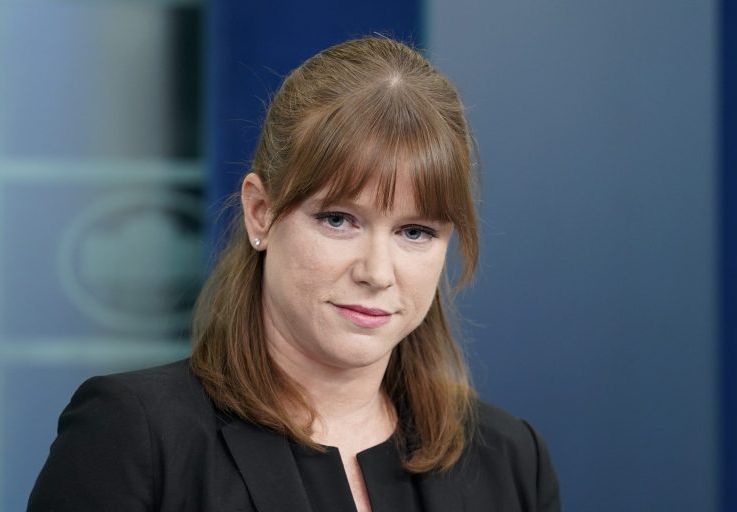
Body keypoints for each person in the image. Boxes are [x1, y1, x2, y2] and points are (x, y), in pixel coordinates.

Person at [28, 36, 561, 512]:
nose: (377, 272)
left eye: (415, 232)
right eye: (338, 220)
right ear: (261, 212)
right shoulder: (134, 435)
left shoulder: (510, 459)